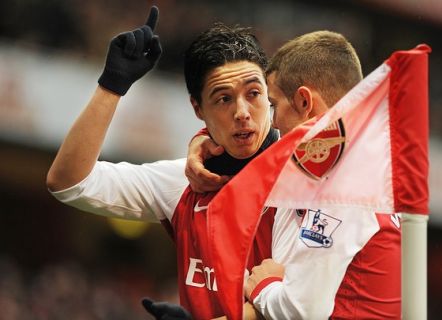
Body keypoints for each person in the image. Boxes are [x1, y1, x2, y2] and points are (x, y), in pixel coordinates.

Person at [46, 6, 279, 320]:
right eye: (223, 98)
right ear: (198, 109)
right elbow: (69, 183)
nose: (242, 112)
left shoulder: (306, 179)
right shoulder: (182, 182)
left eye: (253, 93)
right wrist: (112, 86)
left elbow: (304, 304)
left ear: (270, 95)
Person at [187, 31, 401, 319]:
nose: (273, 121)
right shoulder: (350, 166)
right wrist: (201, 139)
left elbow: (301, 311)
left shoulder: (345, 189)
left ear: (303, 102)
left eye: (273, 104)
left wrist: (265, 284)